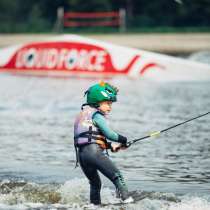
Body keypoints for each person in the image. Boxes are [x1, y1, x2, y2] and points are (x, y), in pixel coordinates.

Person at [74, 81, 133, 205]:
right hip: (94, 153)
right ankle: (129, 203)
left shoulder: (84, 115)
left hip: (82, 156)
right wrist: (124, 139)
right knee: (117, 177)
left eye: (111, 104)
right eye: (107, 103)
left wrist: (113, 146)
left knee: (95, 184)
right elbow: (110, 134)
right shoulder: (97, 115)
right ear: (97, 101)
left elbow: (92, 139)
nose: (110, 107)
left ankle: (94, 206)